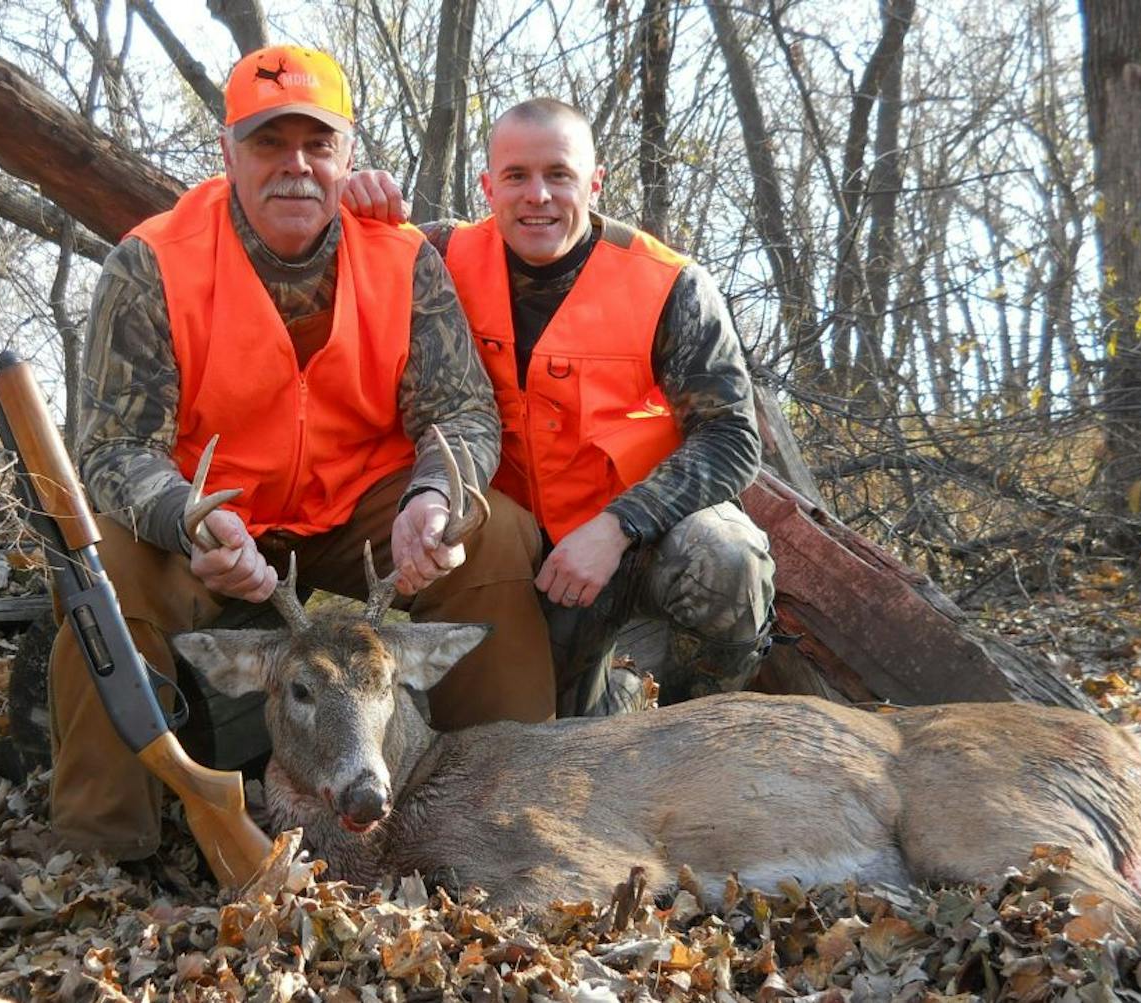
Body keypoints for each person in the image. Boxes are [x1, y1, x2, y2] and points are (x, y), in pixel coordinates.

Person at [51, 45, 555, 861]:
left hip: (358, 508)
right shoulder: (153, 264)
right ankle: (100, 853)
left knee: (491, 534)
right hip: (214, 520)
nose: (296, 168)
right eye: (267, 144)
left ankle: (519, 813)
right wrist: (186, 519)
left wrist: (433, 498)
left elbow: (460, 411)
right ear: (226, 152)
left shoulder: (402, 262)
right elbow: (113, 446)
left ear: (347, 155)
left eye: (317, 146)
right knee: (103, 568)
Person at [346, 99, 775, 717]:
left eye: (559, 175)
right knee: (549, 733)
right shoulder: (435, 257)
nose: (537, 195)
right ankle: (617, 704)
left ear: (594, 181)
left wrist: (617, 527)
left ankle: (692, 726)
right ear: (488, 185)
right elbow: (324, 246)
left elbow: (730, 437)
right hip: (522, 560)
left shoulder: (670, 284)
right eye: (517, 176)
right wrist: (355, 198)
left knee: (726, 560)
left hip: (640, 532)